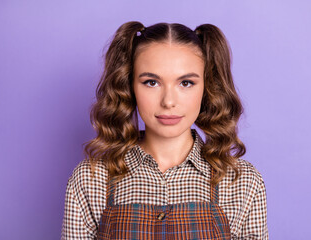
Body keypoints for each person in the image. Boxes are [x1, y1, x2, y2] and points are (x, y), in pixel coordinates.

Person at [61, 21, 268, 239]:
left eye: (186, 83)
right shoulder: (91, 179)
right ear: (129, 87)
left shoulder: (242, 181)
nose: (168, 101)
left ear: (207, 87)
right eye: (151, 82)